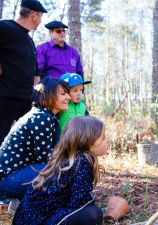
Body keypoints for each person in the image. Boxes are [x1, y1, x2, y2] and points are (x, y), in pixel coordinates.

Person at [13, 116, 108, 225]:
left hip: (27, 219)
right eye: (103, 137)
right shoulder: (83, 160)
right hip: (41, 219)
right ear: (87, 140)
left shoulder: (69, 159)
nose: (108, 140)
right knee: (94, 214)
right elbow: (79, 202)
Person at [0, 78, 70, 201]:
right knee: (57, 169)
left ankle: (21, 204)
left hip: (15, 176)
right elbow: (46, 160)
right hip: (7, 180)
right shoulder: (41, 117)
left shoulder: (46, 115)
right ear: (48, 95)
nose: (68, 97)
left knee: (61, 166)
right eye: (63, 94)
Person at [0, 0, 47, 145]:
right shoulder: (4, 27)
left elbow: (35, 73)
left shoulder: (29, 40)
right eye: (40, 17)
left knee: (28, 141)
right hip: (5, 99)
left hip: (27, 102)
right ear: (34, 15)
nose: (40, 22)